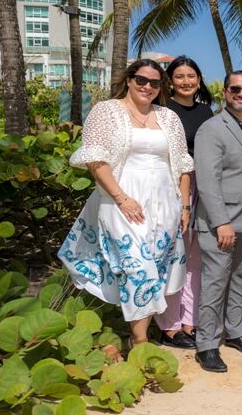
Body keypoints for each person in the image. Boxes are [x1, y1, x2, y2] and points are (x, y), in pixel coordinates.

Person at [59, 59, 193, 347]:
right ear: (129, 80)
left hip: (164, 202)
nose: (148, 87)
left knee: (154, 268)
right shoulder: (106, 112)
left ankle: (138, 336)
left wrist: (184, 206)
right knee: (137, 267)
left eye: (155, 83)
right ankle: (141, 339)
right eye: (142, 80)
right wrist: (121, 198)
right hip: (120, 199)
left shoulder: (169, 118)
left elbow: (182, 166)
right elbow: (96, 160)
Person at [193, 71, 242, 373]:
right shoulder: (211, 129)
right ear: (225, 92)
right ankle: (207, 345)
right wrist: (221, 222)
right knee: (215, 283)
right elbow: (208, 181)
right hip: (220, 222)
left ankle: (236, 332)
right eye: (236, 89)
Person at [155, 56, 213, 350]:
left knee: (196, 262)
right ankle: (169, 325)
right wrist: (183, 200)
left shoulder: (206, 112)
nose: (186, 81)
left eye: (192, 75)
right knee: (173, 259)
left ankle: (191, 321)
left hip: (204, 193)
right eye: (180, 76)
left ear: (199, 80)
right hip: (176, 192)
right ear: (170, 80)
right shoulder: (163, 112)